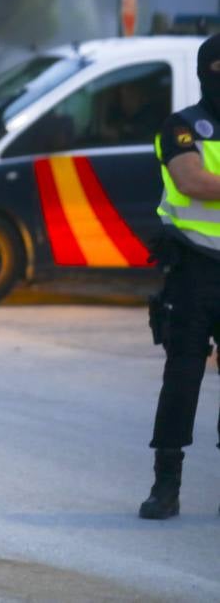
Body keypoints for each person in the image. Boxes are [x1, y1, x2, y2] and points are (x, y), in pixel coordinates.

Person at [138, 34, 220, 519]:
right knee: (183, 375)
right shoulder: (182, 127)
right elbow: (192, 181)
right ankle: (165, 484)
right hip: (194, 269)